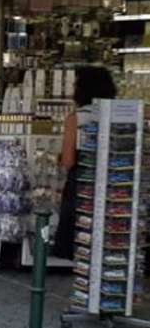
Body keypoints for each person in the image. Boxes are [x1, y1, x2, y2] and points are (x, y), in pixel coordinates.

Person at [52, 66, 117, 259]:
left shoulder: (76, 118)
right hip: (111, 181)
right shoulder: (116, 115)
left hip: (82, 183)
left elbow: (68, 160)